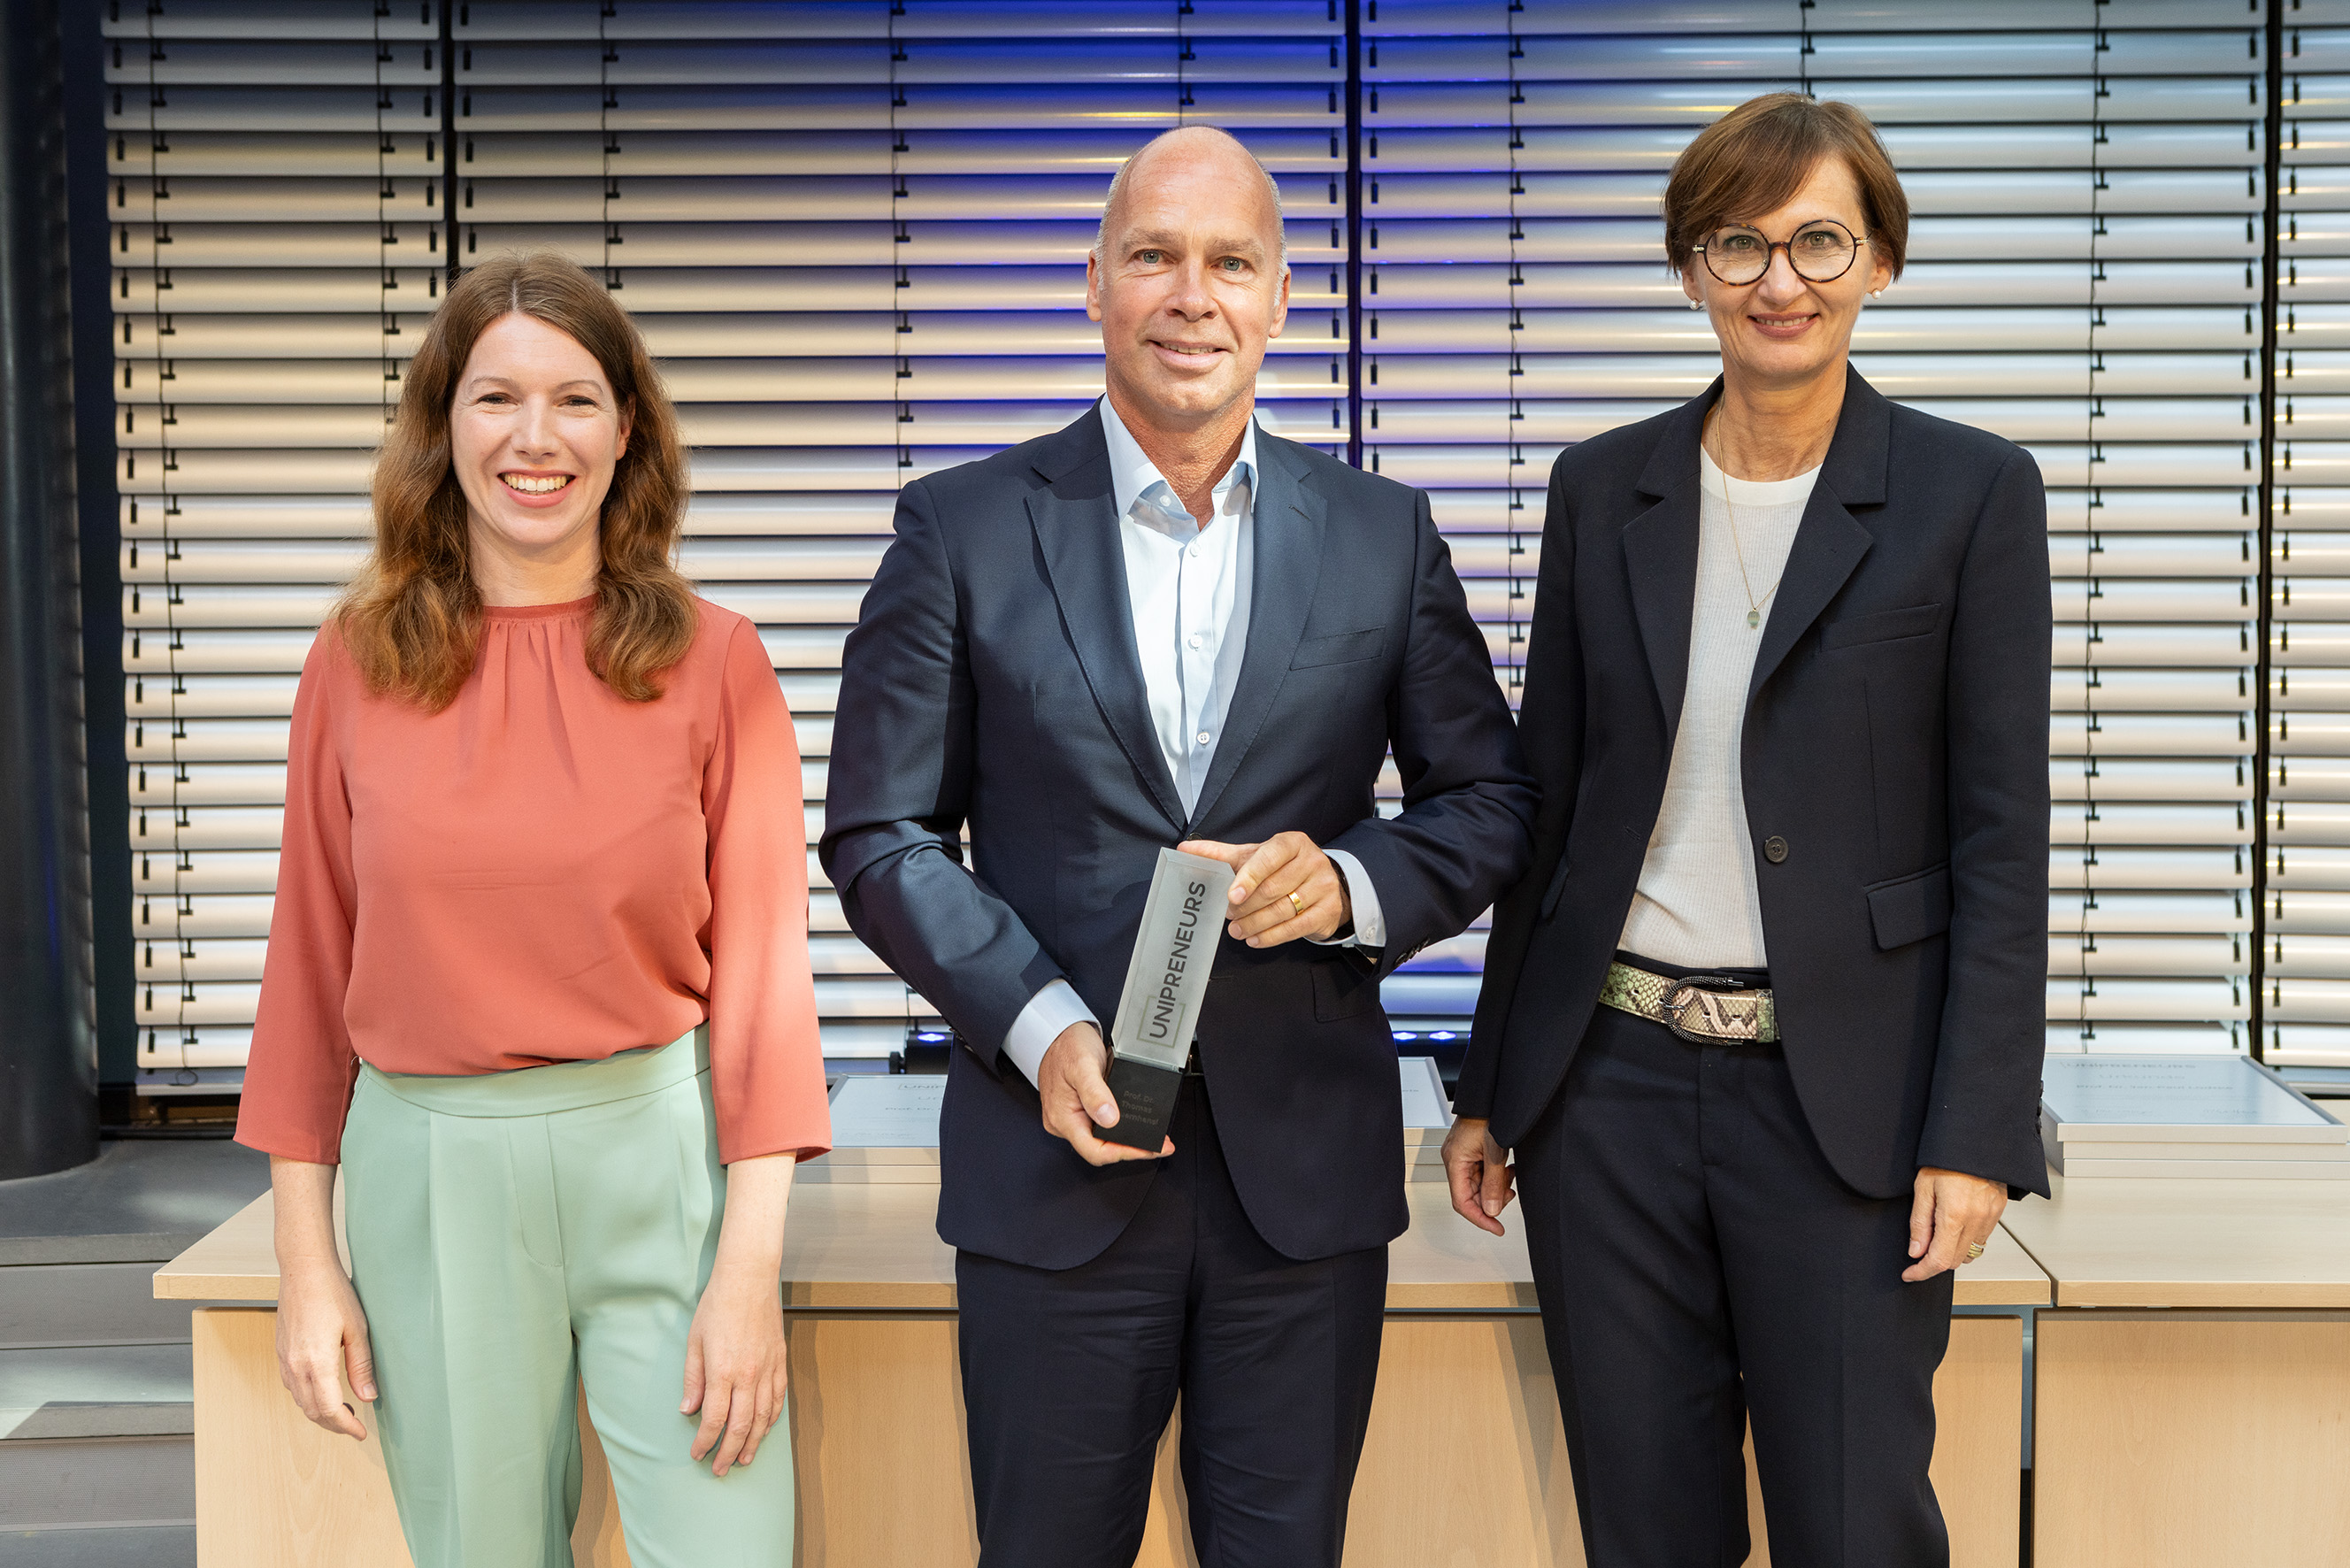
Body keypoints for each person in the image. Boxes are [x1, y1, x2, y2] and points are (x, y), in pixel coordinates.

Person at [823, 125, 1534, 1566]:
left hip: (1303, 1194)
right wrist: (1034, 1024)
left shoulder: (1386, 537)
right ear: (1095, 283)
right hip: (1052, 1171)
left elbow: (1492, 803)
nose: (1190, 295)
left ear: (1282, 299)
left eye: (1230, 262)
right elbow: (882, 830)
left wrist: (1349, 883)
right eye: (1154, 254)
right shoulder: (960, 527)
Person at [1443, 93, 2052, 1567]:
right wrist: (1494, 1082)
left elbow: (2000, 844)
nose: (1780, 280)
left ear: (1882, 263)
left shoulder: (1971, 494)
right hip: (1611, 1096)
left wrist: (1974, 1137)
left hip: (1846, 1108)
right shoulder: (1605, 488)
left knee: (1857, 1528)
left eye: (1820, 241)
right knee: (1645, 1530)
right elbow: (1559, 800)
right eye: (1739, 243)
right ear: (1690, 266)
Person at [234, 251, 829, 1568]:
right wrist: (307, 1265)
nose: (535, 438)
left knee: (729, 1545)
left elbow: (768, 995)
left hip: (663, 1165)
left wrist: (747, 1274)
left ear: (628, 433)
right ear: (443, 431)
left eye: (573, 399)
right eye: (496, 399)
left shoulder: (716, 665)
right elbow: (307, 967)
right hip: (430, 1173)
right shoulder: (352, 663)